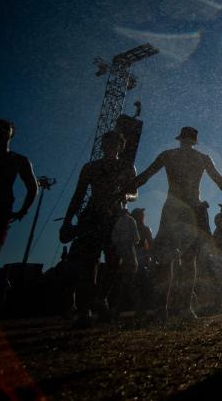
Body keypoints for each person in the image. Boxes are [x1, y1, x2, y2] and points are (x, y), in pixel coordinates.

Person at [132, 126, 222, 319]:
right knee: (183, 259)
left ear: (181, 140)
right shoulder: (198, 158)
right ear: (194, 141)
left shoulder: (171, 155)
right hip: (187, 208)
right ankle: (179, 308)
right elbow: (221, 182)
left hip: (179, 208)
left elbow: (145, 176)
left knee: (173, 258)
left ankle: (171, 308)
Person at [60, 131, 135, 326]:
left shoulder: (126, 166)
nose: (109, 147)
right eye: (106, 143)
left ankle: (100, 298)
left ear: (121, 146)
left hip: (116, 216)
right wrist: (67, 220)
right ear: (103, 146)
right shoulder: (91, 167)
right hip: (92, 216)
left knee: (113, 260)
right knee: (89, 263)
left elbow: (135, 193)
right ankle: (85, 310)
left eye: (114, 143)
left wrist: (125, 197)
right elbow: (78, 194)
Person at [0, 119, 38, 330]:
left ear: (11, 134)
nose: (1, 131)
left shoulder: (18, 160)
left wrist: (24, 210)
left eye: (5, 128)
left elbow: (32, 187)